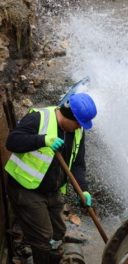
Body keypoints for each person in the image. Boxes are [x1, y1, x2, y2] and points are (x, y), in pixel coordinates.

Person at [4, 92, 97, 264]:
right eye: (78, 123)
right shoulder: (39, 118)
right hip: (26, 189)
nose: (79, 127)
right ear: (69, 115)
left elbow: (77, 164)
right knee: (44, 237)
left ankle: (54, 259)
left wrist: (83, 190)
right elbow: (12, 142)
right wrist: (42, 140)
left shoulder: (77, 131)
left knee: (58, 233)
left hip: (52, 190)